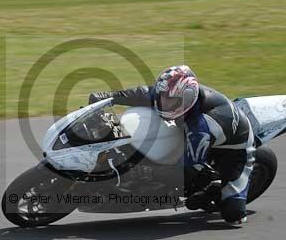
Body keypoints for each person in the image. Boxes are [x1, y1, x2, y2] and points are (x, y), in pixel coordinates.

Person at [89, 65, 255, 226]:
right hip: (192, 129)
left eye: (170, 101)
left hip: (233, 151)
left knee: (233, 215)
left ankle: (216, 188)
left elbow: (187, 163)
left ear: (188, 99)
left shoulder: (202, 127)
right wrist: (109, 96)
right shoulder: (173, 92)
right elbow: (145, 93)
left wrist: (144, 169)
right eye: (163, 97)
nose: (163, 103)